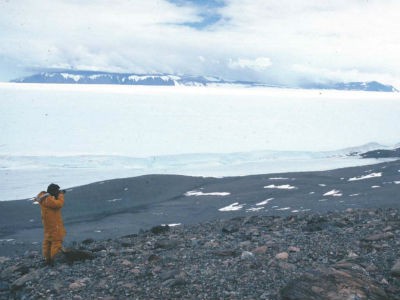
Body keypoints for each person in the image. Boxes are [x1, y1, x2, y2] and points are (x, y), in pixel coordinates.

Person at [35, 183, 66, 266]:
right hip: (54, 225)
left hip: (48, 225)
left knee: (48, 241)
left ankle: (47, 259)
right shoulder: (48, 200)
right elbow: (58, 204)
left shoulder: (45, 198)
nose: (58, 192)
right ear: (53, 191)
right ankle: (54, 260)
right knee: (56, 241)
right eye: (57, 191)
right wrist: (61, 195)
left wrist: (56, 195)